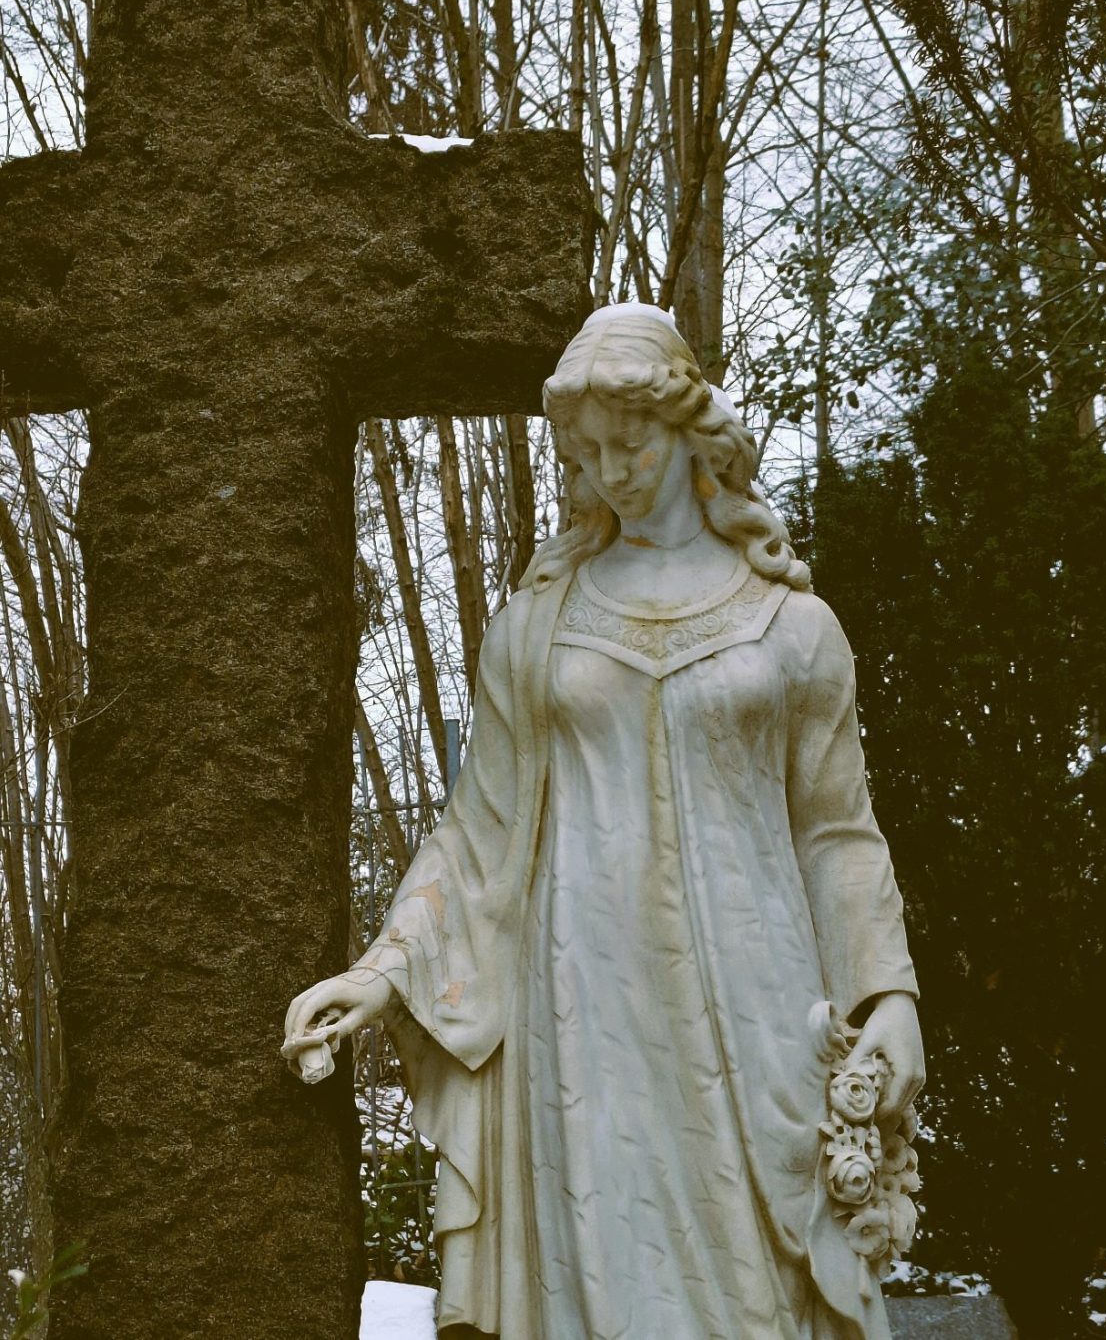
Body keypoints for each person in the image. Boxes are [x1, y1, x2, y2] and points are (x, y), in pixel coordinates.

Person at [283, 304, 925, 1339]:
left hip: (759, 1004)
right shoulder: (535, 627)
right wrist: (388, 965)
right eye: (586, 453)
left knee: (765, 1290)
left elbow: (837, 831)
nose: (611, 470)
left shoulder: (794, 626)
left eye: (630, 442)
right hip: (581, 1008)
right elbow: (478, 830)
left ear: (689, 429)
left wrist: (885, 992)